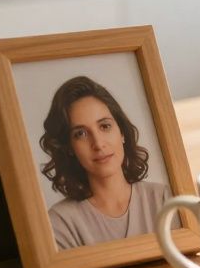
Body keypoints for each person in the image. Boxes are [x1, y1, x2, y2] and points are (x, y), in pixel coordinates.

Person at [40, 76, 173, 251]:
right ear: (69, 148)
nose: (98, 144)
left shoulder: (165, 200)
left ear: (122, 132)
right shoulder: (60, 224)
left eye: (105, 126)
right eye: (80, 134)